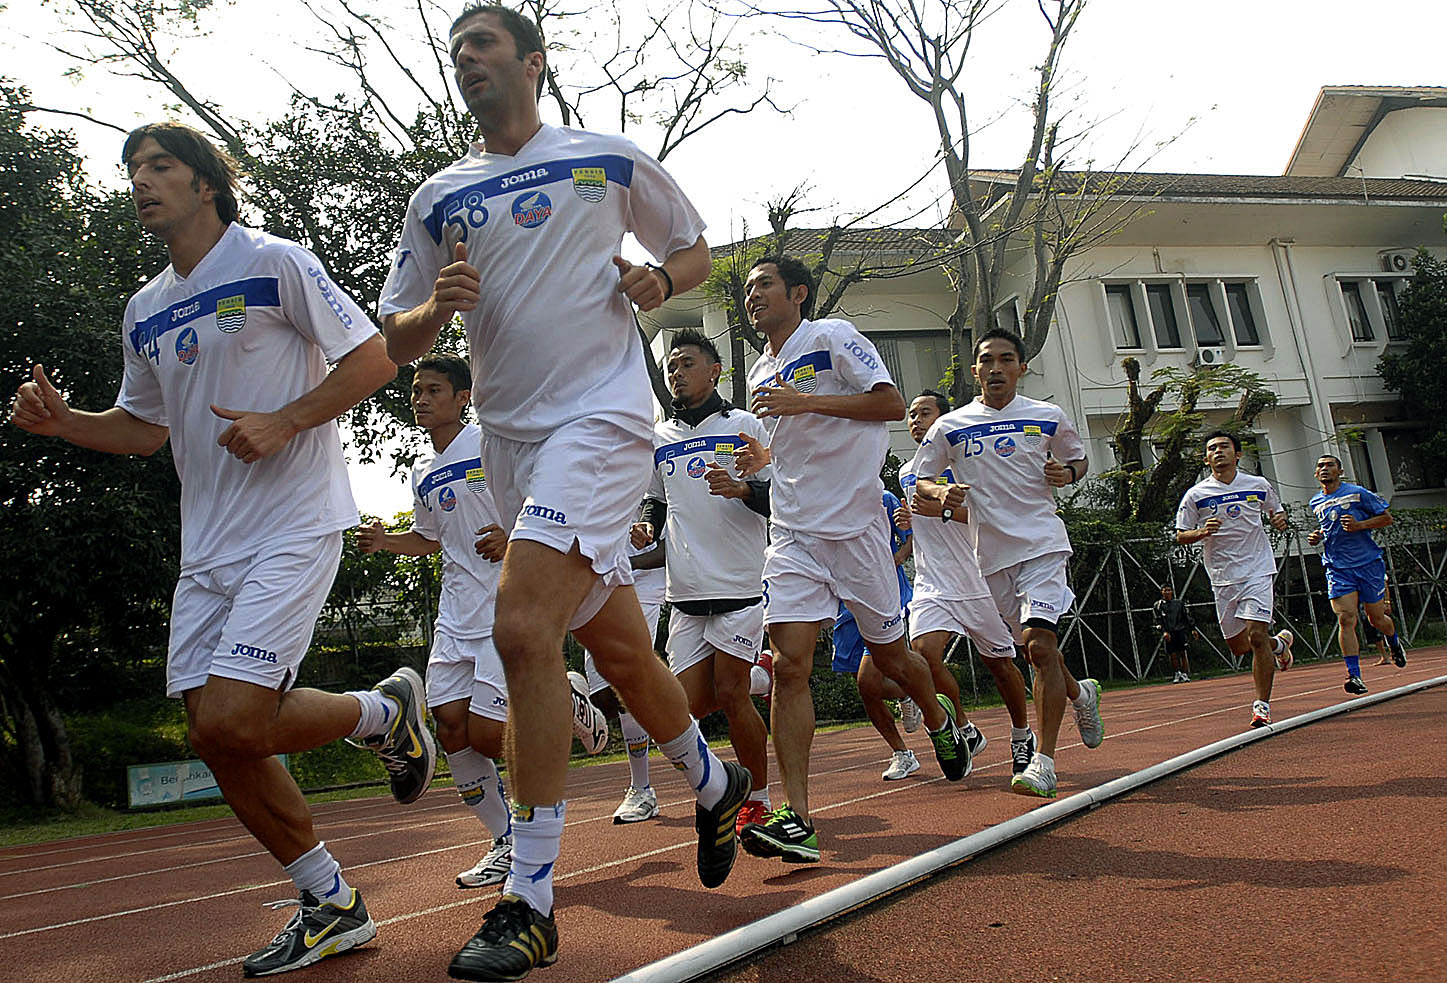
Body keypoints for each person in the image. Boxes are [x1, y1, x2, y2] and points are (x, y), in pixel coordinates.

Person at [376, 7, 748, 979]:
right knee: (619, 642)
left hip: (604, 418)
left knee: (522, 627)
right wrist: (431, 310)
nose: (467, 60)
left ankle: (531, 897)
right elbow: (394, 337)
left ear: (531, 63)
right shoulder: (438, 197)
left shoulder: (607, 159)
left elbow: (695, 248)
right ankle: (713, 781)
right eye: (456, 50)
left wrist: (658, 280)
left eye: (483, 44)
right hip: (510, 440)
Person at [9, 122, 424, 977]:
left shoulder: (275, 260)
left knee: (237, 715)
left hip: (293, 521)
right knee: (213, 734)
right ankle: (332, 901)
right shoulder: (145, 306)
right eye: (133, 170)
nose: (140, 181)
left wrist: (288, 418)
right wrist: (67, 423)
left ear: (206, 183)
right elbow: (143, 428)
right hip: (209, 548)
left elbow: (376, 354)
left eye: (160, 166)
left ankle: (382, 714)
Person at [733, 255, 972, 865]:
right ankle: (800, 819)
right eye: (748, 288)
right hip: (792, 534)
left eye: (764, 285)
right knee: (789, 667)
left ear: (799, 293)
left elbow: (891, 405)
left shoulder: (831, 336)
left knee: (891, 658)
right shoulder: (762, 369)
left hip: (859, 530)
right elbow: (788, 448)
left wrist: (805, 404)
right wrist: (759, 464)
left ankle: (940, 721)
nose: (752, 295)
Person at [914, 329, 1104, 799]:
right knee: (1036, 651)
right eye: (986, 361)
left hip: (1041, 545)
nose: (996, 368)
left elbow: (1079, 461)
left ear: (1021, 367)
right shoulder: (950, 426)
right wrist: (941, 492)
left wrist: (1067, 473)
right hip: (991, 558)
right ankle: (1081, 694)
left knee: (1039, 647)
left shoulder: (1047, 416)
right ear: (974, 370)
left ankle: (1044, 763)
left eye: (1005, 359)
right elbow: (921, 480)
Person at [355, 356, 516, 889]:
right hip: (454, 616)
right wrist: (386, 542)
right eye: (417, 390)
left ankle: (560, 698)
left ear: (463, 397)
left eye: (433, 390)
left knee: (490, 737)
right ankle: (505, 841)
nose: (420, 398)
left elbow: (535, 506)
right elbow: (430, 540)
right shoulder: (423, 473)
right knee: (450, 729)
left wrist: (512, 539)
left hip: (504, 604)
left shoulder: (493, 444)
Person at [632, 329, 774, 830]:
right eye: (671, 367)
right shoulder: (659, 438)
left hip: (740, 584)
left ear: (714, 370)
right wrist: (648, 524)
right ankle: (760, 680)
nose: (677, 373)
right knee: (677, 713)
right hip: (685, 591)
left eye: (687, 363)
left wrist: (742, 490)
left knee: (730, 693)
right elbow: (657, 498)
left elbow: (782, 499)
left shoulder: (746, 425)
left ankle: (756, 797)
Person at [896, 389, 1036, 781]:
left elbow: (991, 516)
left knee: (1002, 665)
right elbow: (922, 521)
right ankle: (963, 727)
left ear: (944, 420)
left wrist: (944, 509)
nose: (915, 420)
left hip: (980, 580)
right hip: (932, 582)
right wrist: (911, 523)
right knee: (923, 654)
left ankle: (1022, 735)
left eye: (924, 413)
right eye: (911, 414)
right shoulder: (909, 472)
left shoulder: (969, 463)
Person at [1175, 431, 1295, 728]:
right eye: (1212, 449)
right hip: (1222, 575)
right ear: (1206, 458)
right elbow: (1181, 534)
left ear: (1237, 454)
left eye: (1224, 447)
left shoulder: (1258, 484)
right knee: (1240, 646)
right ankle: (1278, 646)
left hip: (1257, 569)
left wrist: (1280, 520)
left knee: (1255, 637)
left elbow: (1277, 512)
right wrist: (1201, 532)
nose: (1218, 452)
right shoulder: (1197, 494)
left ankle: (1261, 706)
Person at [571, 525, 668, 823]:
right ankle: (751, 680)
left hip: (644, 585)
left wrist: (631, 561)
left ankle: (641, 789)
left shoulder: (655, 481)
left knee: (627, 685)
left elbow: (670, 546)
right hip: (599, 582)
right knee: (604, 698)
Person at [1306, 454, 1407, 694]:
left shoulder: (1358, 493)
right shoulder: (1315, 502)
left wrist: (1360, 525)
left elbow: (1386, 518)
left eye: (1330, 465)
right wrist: (1317, 536)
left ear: (1340, 472)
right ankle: (1354, 676)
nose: (1324, 469)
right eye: (1320, 466)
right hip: (1338, 567)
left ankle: (1394, 642)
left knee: (1376, 619)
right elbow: (1328, 526)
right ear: (1315, 474)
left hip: (1368, 564)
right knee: (1346, 619)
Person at [1152, 586, 1199, 683]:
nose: (1167, 592)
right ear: (1162, 592)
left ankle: (1185, 674)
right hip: (1169, 632)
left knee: (1182, 653)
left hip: (1180, 631)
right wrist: (1164, 632)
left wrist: (1192, 629)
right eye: (1165, 590)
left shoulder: (1179, 603)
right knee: (1172, 654)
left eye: (1169, 590)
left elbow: (1185, 617)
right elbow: (1158, 620)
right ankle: (1177, 673)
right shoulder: (1158, 605)